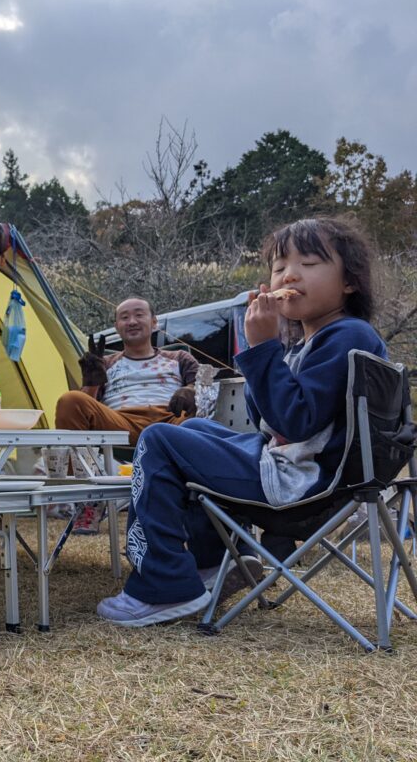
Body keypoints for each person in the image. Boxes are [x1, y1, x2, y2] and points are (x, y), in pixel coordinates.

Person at [97, 216, 387, 626]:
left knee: (159, 439)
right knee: (192, 428)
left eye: (309, 262)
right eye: (280, 264)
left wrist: (264, 347)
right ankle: (213, 563)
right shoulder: (319, 339)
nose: (289, 273)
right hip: (305, 472)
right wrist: (266, 348)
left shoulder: (346, 336)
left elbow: (296, 421)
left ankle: (163, 585)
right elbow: (265, 417)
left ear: (349, 282)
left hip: (303, 484)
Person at [54, 297, 200, 533]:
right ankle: (87, 500)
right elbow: (85, 408)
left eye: (139, 315)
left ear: (154, 323)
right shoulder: (107, 363)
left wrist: (190, 390)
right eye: (124, 317)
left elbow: (204, 388)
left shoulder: (179, 358)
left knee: (197, 420)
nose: (132, 321)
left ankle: (196, 503)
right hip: (120, 423)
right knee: (70, 400)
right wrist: (91, 381)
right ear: (116, 327)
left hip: (169, 422)